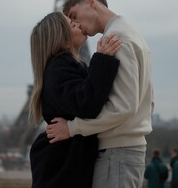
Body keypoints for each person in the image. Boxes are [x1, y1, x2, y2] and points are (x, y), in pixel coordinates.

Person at [46, 0, 154, 188]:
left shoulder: (115, 39)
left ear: (91, 3)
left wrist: (72, 128)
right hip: (128, 149)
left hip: (117, 152)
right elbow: (146, 101)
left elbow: (123, 107)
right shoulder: (132, 33)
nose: (75, 24)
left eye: (74, 16)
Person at [29, 11, 122, 188]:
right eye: (72, 24)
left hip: (63, 163)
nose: (78, 24)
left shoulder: (62, 67)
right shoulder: (59, 68)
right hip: (64, 166)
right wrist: (102, 60)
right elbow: (86, 104)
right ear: (63, 41)